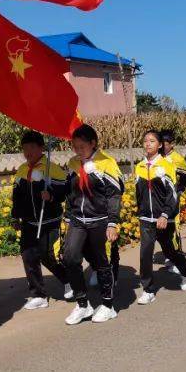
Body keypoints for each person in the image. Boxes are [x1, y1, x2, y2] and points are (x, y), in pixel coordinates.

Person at [61, 124, 124, 325]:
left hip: (101, 220)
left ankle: (107, 305)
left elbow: (114, 194)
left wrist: (112, 223)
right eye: (74, 146)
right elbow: (70, 193)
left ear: (93, 143)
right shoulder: (72, 163)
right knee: (69, 257)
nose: (78, 151)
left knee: (102, 263)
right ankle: (82, 304)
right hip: (78, 220)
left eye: (82, 146)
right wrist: (68, 215)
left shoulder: (106, 163)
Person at [11, 130, 71, 311]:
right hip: (29, 222)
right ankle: (38, 294)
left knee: (47, 255)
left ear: (41, 148)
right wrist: (15, 215)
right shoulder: (22, 171)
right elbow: (17, 197)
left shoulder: (51, 168)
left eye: (31, 147)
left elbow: (65, 189)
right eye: (24, 149)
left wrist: (51, 195)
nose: (28, 152)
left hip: (49, 221)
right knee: (28, 257)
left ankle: (70, 281)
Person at [134, 130, 186, 304]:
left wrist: (165, 214)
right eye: (145, 141)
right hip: (146, 219)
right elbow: (137, 193)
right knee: (145, 253)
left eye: (152, 141)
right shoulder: (139, 166)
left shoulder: (167, 165)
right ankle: (148, 289)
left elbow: (172, 194)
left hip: (164, 218)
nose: (148, 144)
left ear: (160, 145)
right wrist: (140, 211)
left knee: (170, 251)